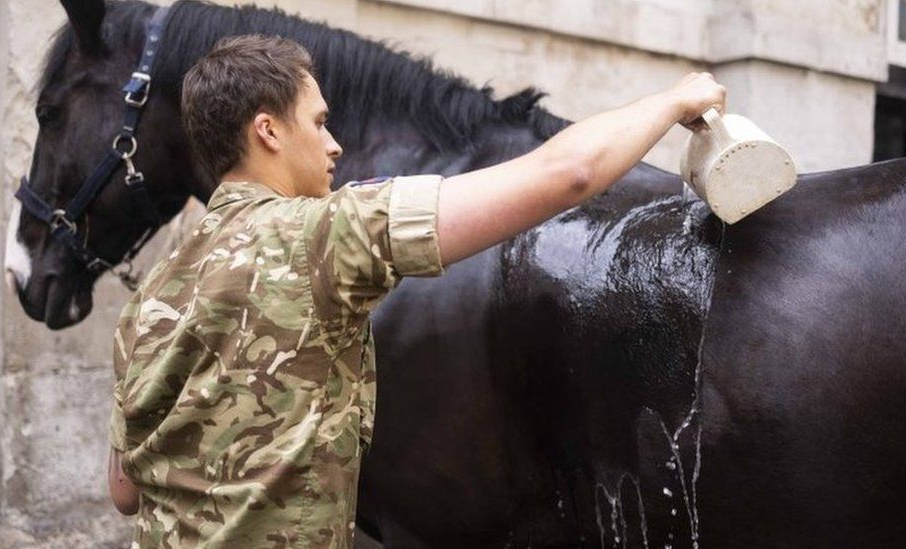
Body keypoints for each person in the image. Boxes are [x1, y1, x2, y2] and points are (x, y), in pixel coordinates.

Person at [107, 34, 726, 547]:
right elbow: (567, 174)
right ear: (268, 131)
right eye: (319, 122)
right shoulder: (325, 235)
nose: (334, 144)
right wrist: (676, 100)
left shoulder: (148, 298)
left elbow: (125, 491)